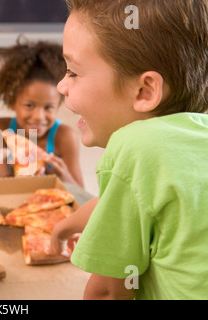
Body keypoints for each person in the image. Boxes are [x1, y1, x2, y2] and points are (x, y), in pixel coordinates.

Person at [48, 0, 208, 300]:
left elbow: (108, 292)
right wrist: (65, 226)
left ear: (144, 91)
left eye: (73, 72)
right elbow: (129, 200)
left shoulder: (136, 146)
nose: (61, 86)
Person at [0, 38, 84, 188]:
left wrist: (62, 175)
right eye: (29, 105)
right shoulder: (1, 127)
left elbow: (81, 195)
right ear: (13, 102)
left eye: (48, 108)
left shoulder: (64, 136)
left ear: (59, 104)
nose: (38, 117)